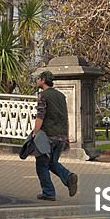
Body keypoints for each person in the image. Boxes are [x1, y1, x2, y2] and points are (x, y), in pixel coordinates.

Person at [30, 70, 78, 201]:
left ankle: (48, 192)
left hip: (47, 136)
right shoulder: (61, 96)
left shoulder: (43, 95)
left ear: (43, 80)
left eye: (38, 78)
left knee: (41, 164)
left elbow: (41, 115)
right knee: (52, 163)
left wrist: (35, 132)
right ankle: (68, 177)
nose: (37, 80)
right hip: (61, 136)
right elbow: (64, 116)